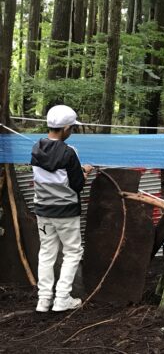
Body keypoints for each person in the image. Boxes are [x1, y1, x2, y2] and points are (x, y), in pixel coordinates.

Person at [32, 105, 93, 312]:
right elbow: (77, 185)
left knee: (46, 253)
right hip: (66, 212)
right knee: (72, 252)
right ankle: (62, 299)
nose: (72, 131)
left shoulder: (36, 148)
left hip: (43, 211)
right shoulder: (70, 152)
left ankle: (43, 300)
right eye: (72, 128)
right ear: (66, 128)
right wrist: (85, 172)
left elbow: (51, 175)